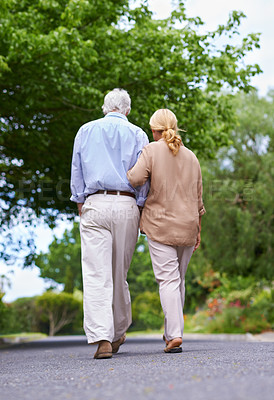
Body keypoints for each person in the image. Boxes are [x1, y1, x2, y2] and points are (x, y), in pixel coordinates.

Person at [70, 88, 149, 359]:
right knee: (118, 274)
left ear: (105, 108)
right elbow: (144, 178)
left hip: (95, 203)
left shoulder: (85, 131)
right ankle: (117, 331)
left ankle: (102, 338)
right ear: (127, 110)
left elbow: (77, 169)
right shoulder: (139, 134)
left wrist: (80, 200)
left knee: (95, 274)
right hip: (127, 204)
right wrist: (140, 206)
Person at [127, 108, 206, 353]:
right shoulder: (192, 157)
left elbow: (135, 178)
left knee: (168, 281)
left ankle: (174, 335)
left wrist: (128, 170)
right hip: (188, 226)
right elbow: (198, 198)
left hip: (160, 225)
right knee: (178, 281)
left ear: (154, 130)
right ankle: (172, 332)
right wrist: (198, 230)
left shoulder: (151, 150)